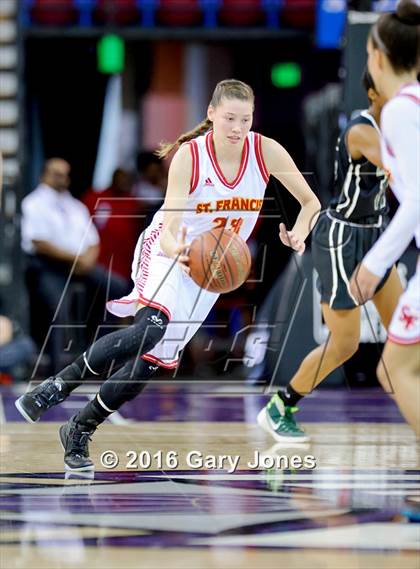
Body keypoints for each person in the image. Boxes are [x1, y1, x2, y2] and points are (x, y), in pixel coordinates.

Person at [15, 79, 321, 471]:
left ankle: (81, 426)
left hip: (209, 272)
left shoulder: (265, 151)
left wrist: (300, 232)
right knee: (151, 328)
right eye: (229, 118)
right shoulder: (191, 156)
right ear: (211, 114)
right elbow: (173, 220)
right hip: (168, 250)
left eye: (245, 119)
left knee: (151, 363)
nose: (237, 128)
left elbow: (309, 202)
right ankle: (55, 387)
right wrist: (176, 245)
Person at [257, 67, 404, 442]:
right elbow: (397, 163)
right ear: (374, 93)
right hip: (341, 240)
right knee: (344, 343)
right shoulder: (362, 130)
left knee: (408, 331)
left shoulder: (397, 126)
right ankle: (280, 406)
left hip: (377, 238)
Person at [349, 1, 420, 436]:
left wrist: (373, 265)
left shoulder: (399, 110)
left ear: (376, 56)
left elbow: (416, 199)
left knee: (396, 368)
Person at [21, 158, 128, 372]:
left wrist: (86, 260)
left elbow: (93, 240)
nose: (62, 178)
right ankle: (58, 368)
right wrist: (74, 259)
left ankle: (97, 354)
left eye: (65, 174)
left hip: (81, 266)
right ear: (44, 175)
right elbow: (38, 241)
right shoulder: (33, 203)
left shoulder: (75, 205)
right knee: (58, 305)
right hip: (50, 266)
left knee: (116, 287)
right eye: (56, 173)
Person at [82, 168, 140, 282]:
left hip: (121, 268)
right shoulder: (95, 197)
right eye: (120, 177)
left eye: (126, 178)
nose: (123, 181)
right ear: (113, 178)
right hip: (95, 261)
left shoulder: (134, 204)